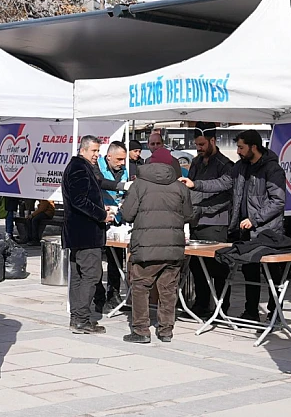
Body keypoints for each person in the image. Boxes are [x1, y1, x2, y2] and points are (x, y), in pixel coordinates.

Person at [180, 129, 286, 321]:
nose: (238, 151)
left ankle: (275, 312)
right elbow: (222, 183)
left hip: (267, 230)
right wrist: (195, 185)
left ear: (254, 147)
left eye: (241, 147)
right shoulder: (240, 167)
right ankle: (251, 312)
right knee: (249, 271)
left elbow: (277, 201)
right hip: (244, 230)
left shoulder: (272, 169)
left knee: (271, 274)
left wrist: (255, 219)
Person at [121, 147, 193, 343]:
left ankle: (141, 330)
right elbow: (188, 216)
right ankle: (166, 330)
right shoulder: (180, 187)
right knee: (168, 288)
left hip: (146, 246)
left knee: (141, 286)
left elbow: (127, 214)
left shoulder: (139, 185)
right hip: (173, 247)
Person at [62, 135, 114, 334]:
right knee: (91, 274)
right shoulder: (78, 167)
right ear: (83, 150)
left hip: (78, 231)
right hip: (85, 232)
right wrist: (102, 215)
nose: (96, 155)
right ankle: (81, 318)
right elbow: (79, 200)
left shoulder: (80, 167)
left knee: (79, 275)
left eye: (98, 151)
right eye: (94, 151)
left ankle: (77, 317)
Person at [185, 125, 233, 318]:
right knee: (196, 267)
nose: (199, 148)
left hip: (215, 223)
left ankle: (222, 309)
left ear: (213, 141)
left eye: (202, 144)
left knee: (218, 268)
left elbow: (227, 194)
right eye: (197, 144)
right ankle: (201, 304)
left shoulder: (225, 165)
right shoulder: (196, 162)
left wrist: (205, 209)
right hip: (196, 221)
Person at [92, 141, 129, 311]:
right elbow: (100, 183)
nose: (122, 163)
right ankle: (98, 297)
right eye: (119, 159)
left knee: (116, 260)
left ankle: (113, 295)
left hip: (117, 220)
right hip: (98, 219)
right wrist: (122, 186)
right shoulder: (97, 167)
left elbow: (123, 194)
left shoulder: (124, 171)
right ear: (109, 157)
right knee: (96, 261)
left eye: (124, 159)